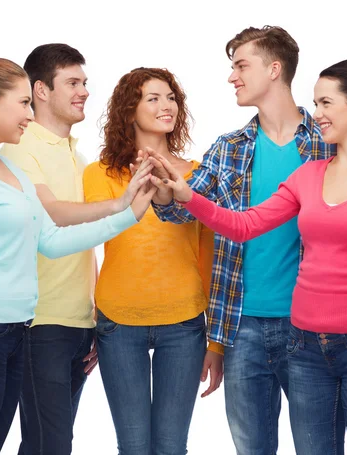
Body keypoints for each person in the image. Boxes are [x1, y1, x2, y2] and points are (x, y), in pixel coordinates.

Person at [147, 58, 347, 455]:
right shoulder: (309, 175)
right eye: (317, 103)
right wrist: (188, 196)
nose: (319, 114)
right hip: (306, 349)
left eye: (327, 103)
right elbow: (244, 225)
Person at [0, 57, 156, 455]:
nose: (27, 116)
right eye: (22, 103)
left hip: (16, 334)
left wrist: (127, 212)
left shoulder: (12, 173)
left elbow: (50, 240)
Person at [147, 26, 336, 455]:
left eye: (241, 65)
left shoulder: (328, 145)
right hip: (242, 327)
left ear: (274, 69)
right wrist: (163, 187)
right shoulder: (230, 147)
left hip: (312, 328)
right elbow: (181, 208)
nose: (232, 76)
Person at [0, 44, 144, 455]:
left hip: (79, 324)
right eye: (73, 83)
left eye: (84, 82)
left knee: (50, 443)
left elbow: (87, 243)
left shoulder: (78, 157)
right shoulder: (18, 148)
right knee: (51, 444)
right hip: (38, 323)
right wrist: (122, 204)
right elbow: (53, 214)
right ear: (41, 90)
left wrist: (95, 313)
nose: (84, 91)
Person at [82, 67, 221, 455]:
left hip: (184, 324)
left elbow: (209, 253)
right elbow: (88, 238)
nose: (167, 106)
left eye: (172, 97)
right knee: (134, 446)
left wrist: (217, 342)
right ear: (130, 110)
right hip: (118, 324)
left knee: (172, 446)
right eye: (153, 98)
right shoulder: (100, 174)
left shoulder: (195, 174)